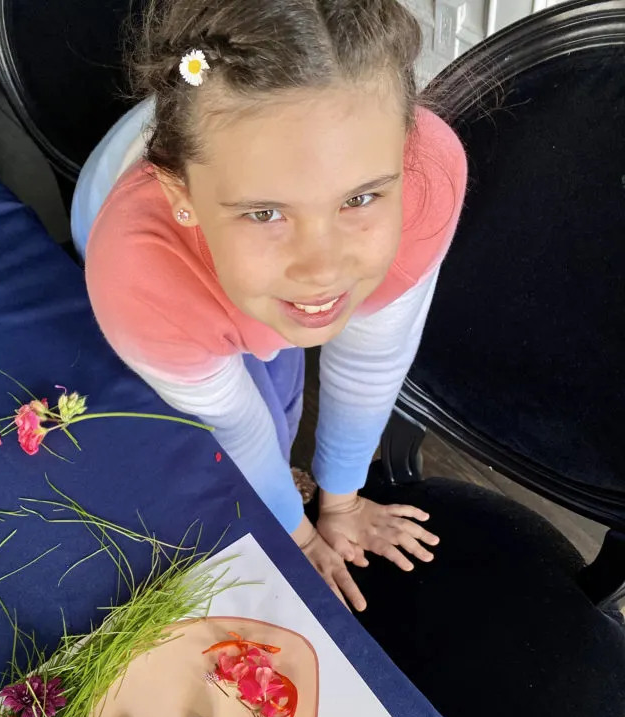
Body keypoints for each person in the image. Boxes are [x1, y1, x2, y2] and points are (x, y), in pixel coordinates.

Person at [73, 0, 467, 610]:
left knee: (278, 373)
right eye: (264, 212)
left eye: (360, 199)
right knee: (254, 401)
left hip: (216, 244)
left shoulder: (426, 183)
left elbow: (371, 362)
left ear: (404, 162)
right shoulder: (136, 274)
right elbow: (235, 420)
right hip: (154, 266)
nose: (323, 269)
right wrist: (298, 532)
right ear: (183, 196)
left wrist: (342, 501)